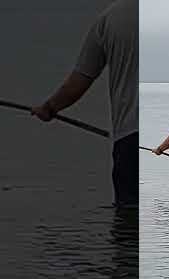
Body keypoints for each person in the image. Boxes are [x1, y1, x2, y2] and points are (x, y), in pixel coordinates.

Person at [31, 0, 138, 206]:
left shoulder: (110, 18)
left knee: (128, 221)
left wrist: (50, 108)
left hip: (129, 140)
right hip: (164, 142)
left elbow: (80, 80)